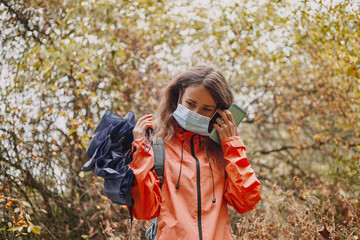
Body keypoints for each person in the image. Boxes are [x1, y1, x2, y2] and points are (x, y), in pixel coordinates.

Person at [129, 65, 261, 240]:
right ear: (179, 95)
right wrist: (140, 151)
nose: (195, 113)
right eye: (190, 104)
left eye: (206, 109)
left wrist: (232, 144)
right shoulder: (157, 145)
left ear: (219, 112)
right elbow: (143, 210)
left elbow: (246, 202)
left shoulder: (224, 152)